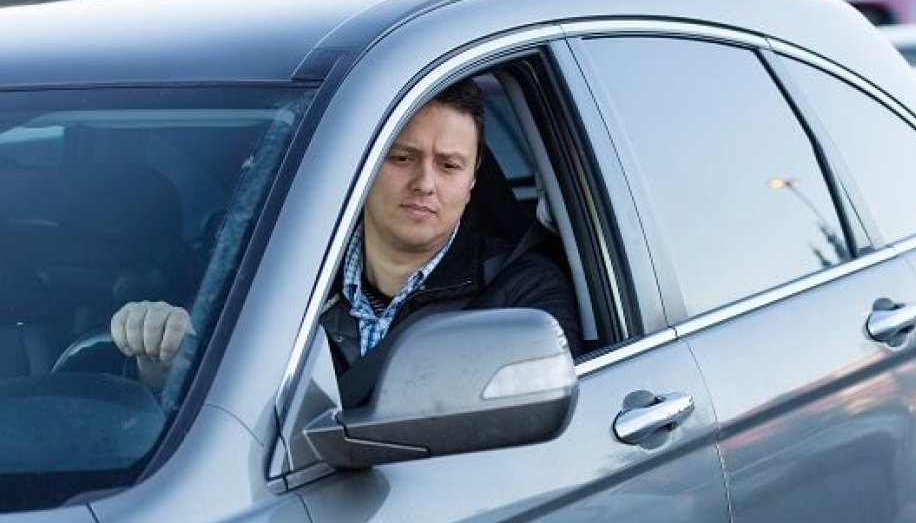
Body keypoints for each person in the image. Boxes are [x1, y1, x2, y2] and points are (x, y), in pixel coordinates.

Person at [110, 79, 582, 403]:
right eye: (402, 158)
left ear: (473, 178)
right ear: (365, 164)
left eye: (449, 165)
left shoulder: (524, 297)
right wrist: (164, 364)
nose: (425, 183)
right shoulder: (274, 271)